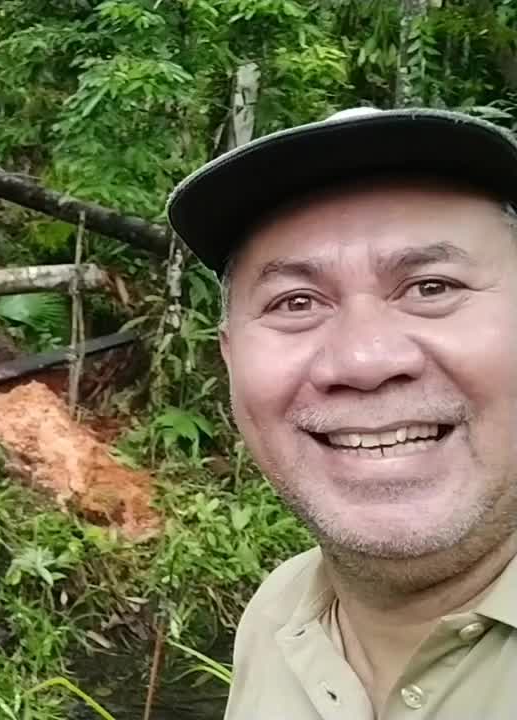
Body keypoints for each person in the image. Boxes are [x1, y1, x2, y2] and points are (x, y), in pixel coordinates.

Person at [167, 106, 517, 719]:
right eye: (295, 302)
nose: (363, 360)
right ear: (229, 357)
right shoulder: (277, 614)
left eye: (431, 287)